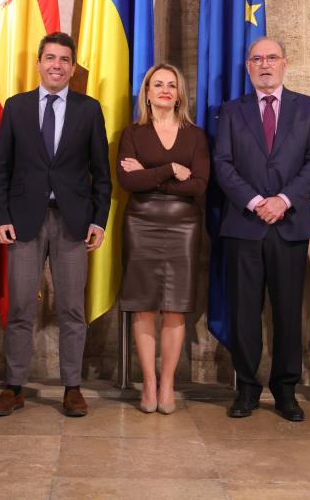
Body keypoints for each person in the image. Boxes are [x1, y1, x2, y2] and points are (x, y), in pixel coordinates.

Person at [0, 32, 111, 418]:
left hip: (73, 223)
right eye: (50, 58)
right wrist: (2, 217)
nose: (56, 65)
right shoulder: (17, 107)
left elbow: (102, 175)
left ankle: (72, 387)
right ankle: (14, 386)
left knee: (72, 308)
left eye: (64, 60)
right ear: (38, 63)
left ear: (73, 68)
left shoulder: (88, 110)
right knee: (22, 305)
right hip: (24, 222)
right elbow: (1, 169)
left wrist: (98, 221)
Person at [214, 37, 310, 421]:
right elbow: (223, 164)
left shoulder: (309, 108)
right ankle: (246, 388)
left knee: (288, 312)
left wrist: (283, 200)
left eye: (271, 58)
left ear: (284, 63)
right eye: (257, 58)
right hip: (245, 225)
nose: (265, 64)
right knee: (244, 312)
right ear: (247, 67)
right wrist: (256, 202)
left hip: (290, 224)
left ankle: (285, 390)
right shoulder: (230, 111)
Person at [118, 64, 209, 415]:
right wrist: (171, 170)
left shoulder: (195, 135)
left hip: (184, 225)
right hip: (141, 222)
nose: (166, 90)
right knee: (143, 306)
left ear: (180, 93)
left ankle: (168, 383)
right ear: (148, 91)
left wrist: (149, 174)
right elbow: (128, 183)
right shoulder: (134, 132)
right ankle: (149, 384)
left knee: (174, 308)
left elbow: (199, 185)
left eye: (172, 84)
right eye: (158, 84)